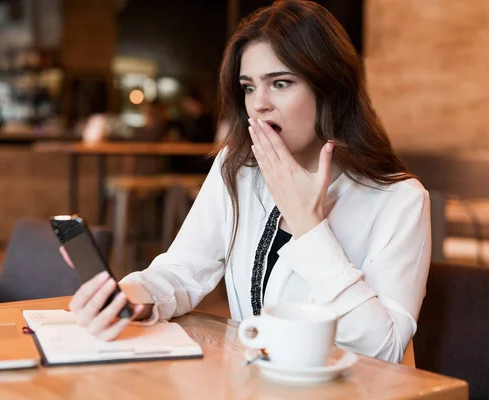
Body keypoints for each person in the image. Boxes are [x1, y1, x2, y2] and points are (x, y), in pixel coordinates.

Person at [63, 0, 431, 364]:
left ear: (332, 89)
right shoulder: (239, 168)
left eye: (281, 83)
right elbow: (182, 270)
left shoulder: (400, 200)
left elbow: (384, 349)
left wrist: (309, 226)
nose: (259, 104)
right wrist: (134, 297)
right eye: (249, 87)